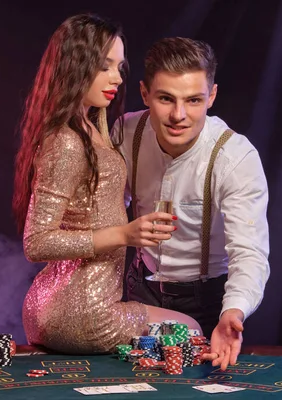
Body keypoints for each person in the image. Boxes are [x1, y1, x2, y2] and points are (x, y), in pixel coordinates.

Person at [13, 15, 201, 354]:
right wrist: (124, 234)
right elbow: (36, 242)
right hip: (86, 314)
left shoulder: (88, 129)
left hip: (54, 306)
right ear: (74, 67)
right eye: (104, 67)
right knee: (191, 329)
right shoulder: (68, 141)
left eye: (119, 67)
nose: (116, 77)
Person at [119, 37, 270, 369]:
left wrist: (233, 310)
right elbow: (103, 207)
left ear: (211, 96)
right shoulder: (126, 133)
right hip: (140, 290)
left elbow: (250, 253)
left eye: (194, 100)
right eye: (165, 99)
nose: (178, 115)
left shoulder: (235, 157)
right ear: (145, 94)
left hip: (209, 301)